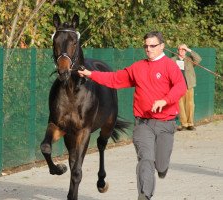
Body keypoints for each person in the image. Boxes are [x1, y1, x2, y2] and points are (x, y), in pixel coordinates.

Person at [78, 31, 187, 200]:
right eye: (146, 46)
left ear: (162, 46)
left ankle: (162, 167)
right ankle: (144, 195)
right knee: (145, 159)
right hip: (143, 123)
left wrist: (164, 101)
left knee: (161, 163)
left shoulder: (170, 66)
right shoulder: (138, 67)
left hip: (166, 124)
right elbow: (115, 78)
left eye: (153, 46)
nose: (148, 49)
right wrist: (90, 74)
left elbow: (180, 87)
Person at [171, 44, 202, 131]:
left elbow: (198, 59)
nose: (182, 51)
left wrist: (188, 49)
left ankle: (190, 123)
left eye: (183, 50)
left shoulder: (189, 59)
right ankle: (183, 124)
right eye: (180, 49)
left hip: (189, 85)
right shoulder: (173, 60)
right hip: (178, 86)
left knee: (190, 104)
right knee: (180, 105)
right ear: (177, 51)